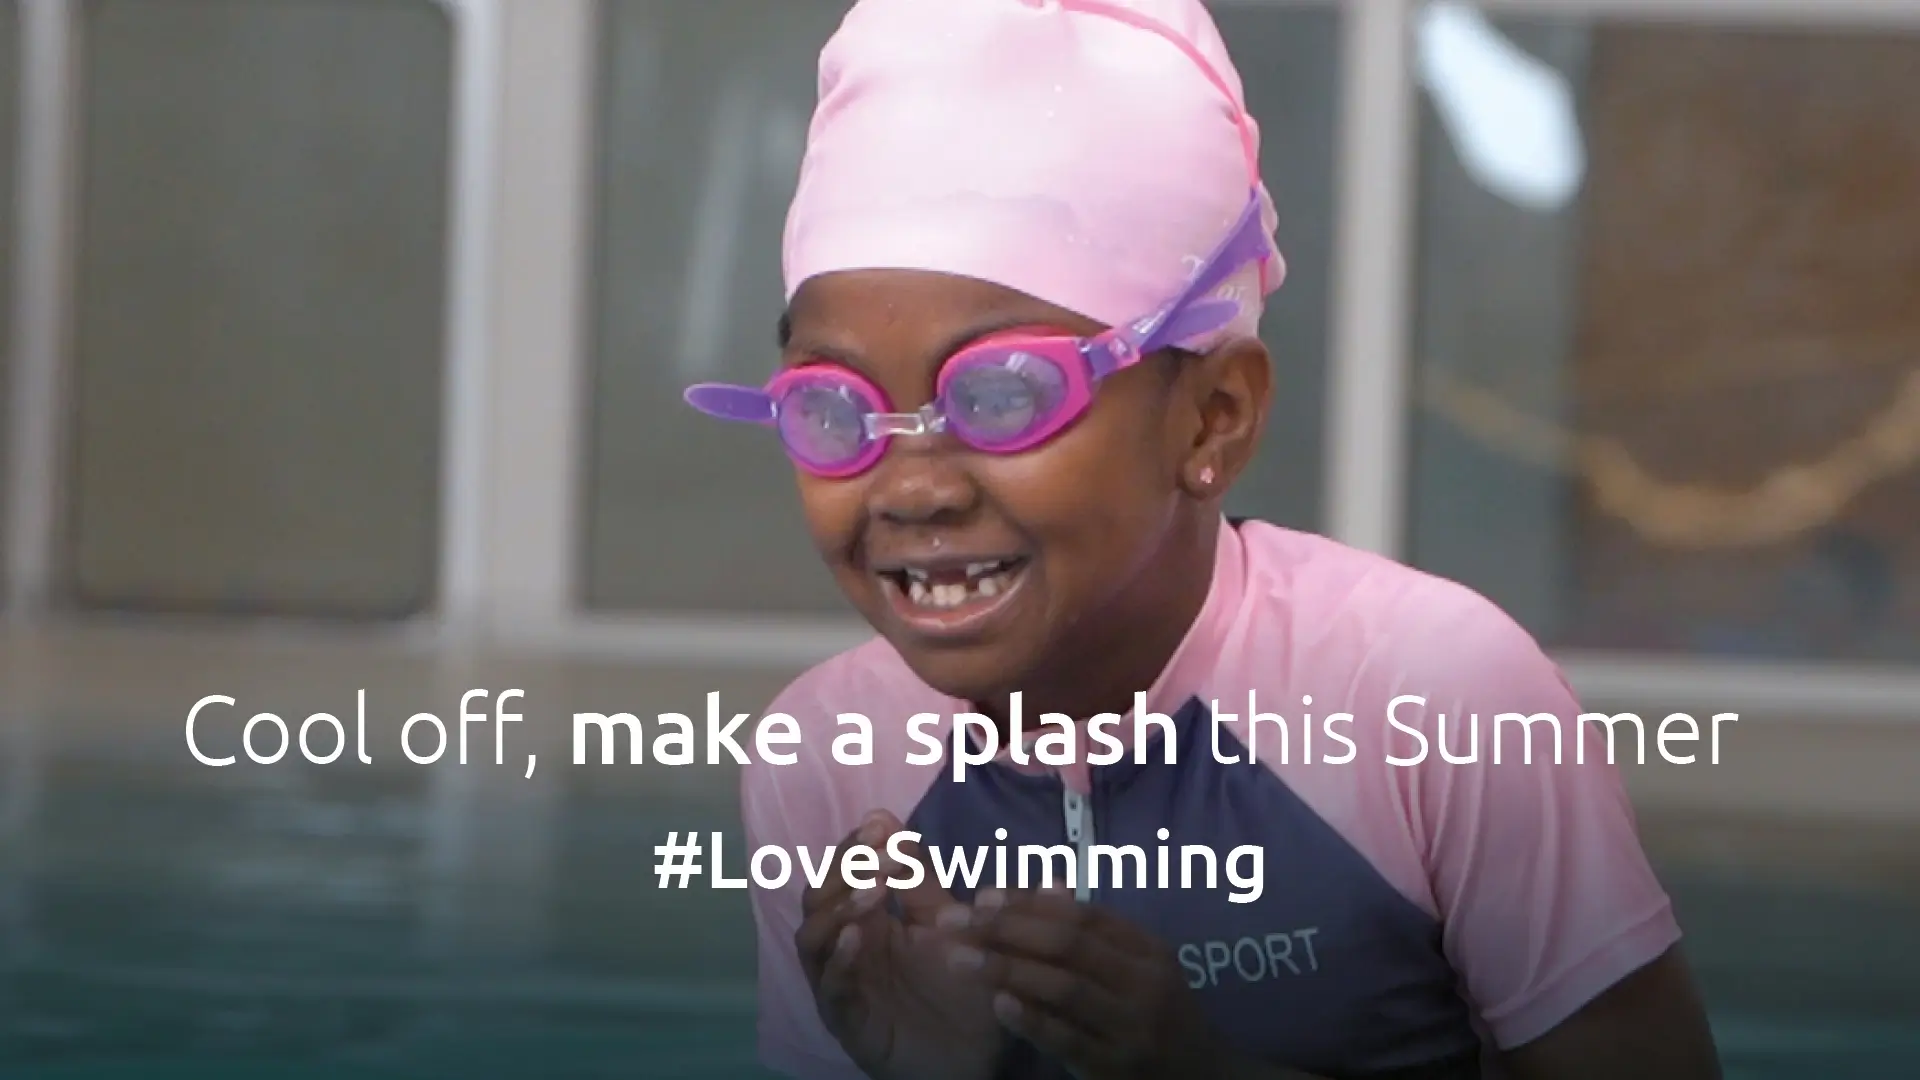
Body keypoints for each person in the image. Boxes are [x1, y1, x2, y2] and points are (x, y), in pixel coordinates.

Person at [682, 1, 1723, 1078]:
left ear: (1214, 413)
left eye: (1001, 393)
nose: (912, 487)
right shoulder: (822, 757)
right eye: (833, 409)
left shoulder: (1436, 698)